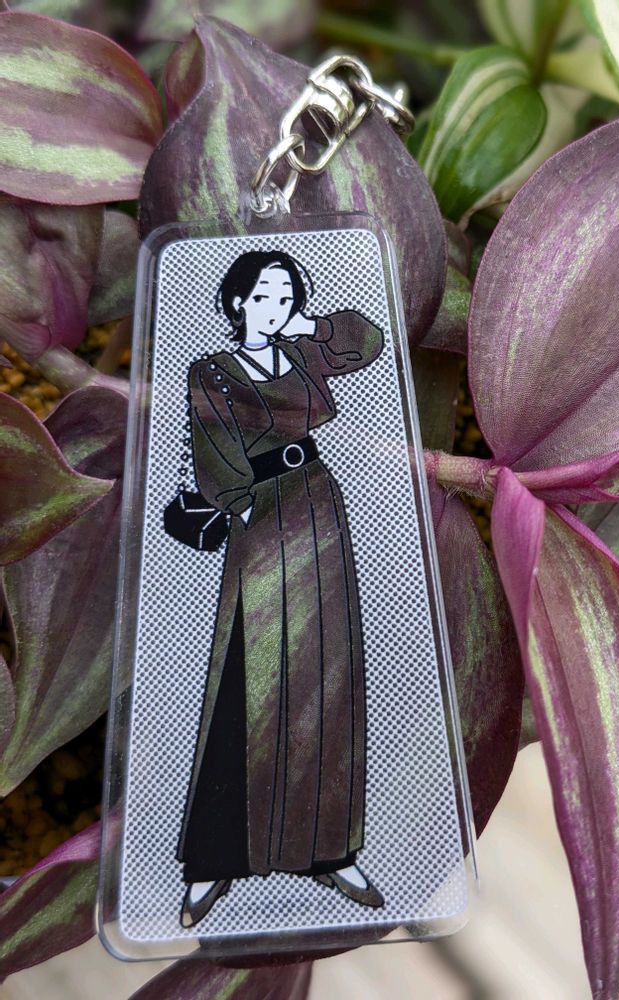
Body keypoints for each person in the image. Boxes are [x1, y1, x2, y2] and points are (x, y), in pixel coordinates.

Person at [174, 249, 386, 928]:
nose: (275, 307)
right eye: (264, 296)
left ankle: (329, 852)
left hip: (317, 503)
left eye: (287, 295)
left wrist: (309, 324)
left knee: (326, 672)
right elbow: (214, 455)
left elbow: (369, 340)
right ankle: (214, 860)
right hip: (260, 515)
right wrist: (241, 509)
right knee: (250, 672)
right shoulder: (213, 370)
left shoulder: (302, 352)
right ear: (237, 302)